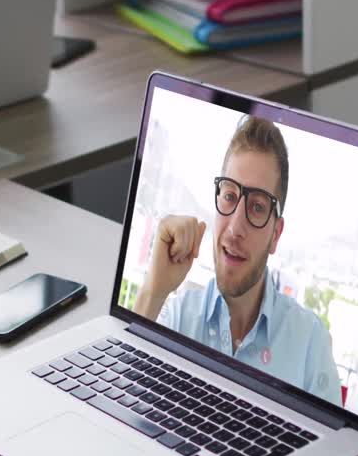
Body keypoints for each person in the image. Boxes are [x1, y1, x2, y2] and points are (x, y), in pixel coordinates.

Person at [132, 114, 343, 405]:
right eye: (229, 196)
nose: (234, 228)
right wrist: (152, 292)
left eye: (257, 207)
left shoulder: (310, 344)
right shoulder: (178, 317)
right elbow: (122, 404)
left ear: (276, 235)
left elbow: (334, 450)